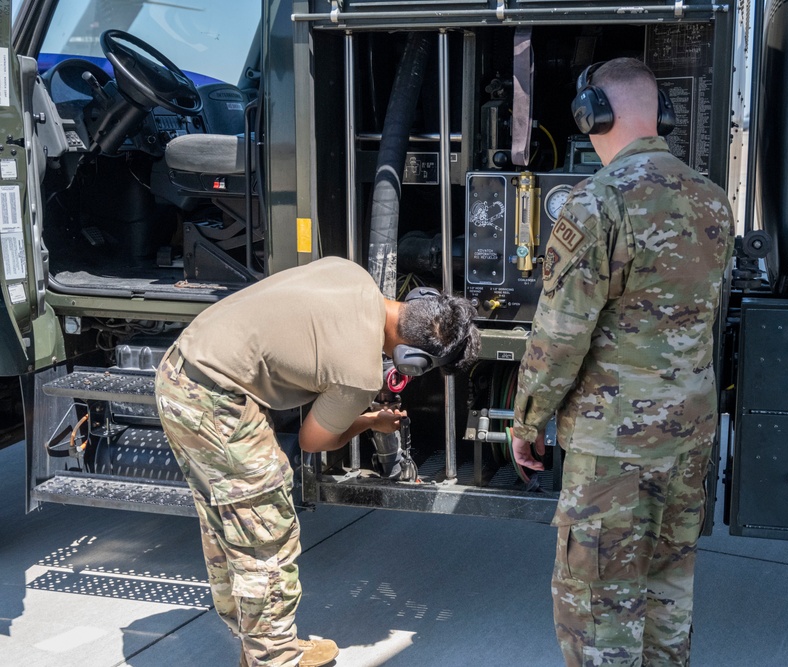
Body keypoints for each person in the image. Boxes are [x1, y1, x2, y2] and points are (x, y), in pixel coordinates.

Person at [511, 57, 735, 666]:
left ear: (593, 115)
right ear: (659, 115)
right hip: (688, 439)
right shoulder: (714, 202)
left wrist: (527, 423)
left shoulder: (596, 205)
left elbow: (559, 337)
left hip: (616, 449)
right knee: (668, 594)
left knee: (599, 609)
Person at [153, 256, 481, 667]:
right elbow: (313, 441)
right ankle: (274, 657)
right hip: (216, 400)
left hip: (180, 368)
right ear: (412, 361)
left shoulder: (351, 273)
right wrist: (370, 422)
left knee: (228, 518)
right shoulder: (359, 375)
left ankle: (256, 636)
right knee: (267, 532)